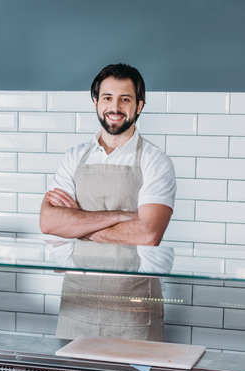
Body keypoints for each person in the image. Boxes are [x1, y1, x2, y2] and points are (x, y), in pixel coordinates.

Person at [40, 63, 176, 341]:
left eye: (125, 99)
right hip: (78, 300)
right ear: (95, 103)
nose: (115, 107)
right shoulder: (74, 157)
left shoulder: (155, 161)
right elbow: (49, 222)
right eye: (107, 98)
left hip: (134, 304)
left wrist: (79, 223)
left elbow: (148, 233)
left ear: (139, 106)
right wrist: (124, 216)